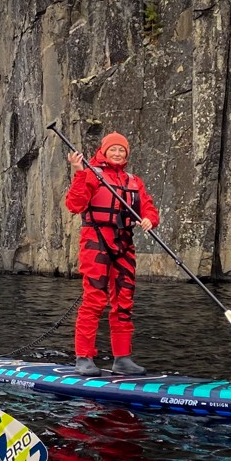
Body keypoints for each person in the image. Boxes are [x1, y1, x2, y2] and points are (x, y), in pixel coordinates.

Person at [64, 131, 160, 377]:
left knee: (124, 302)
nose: (117, 154)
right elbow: (74, 204)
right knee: (94, 299)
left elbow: (147, 206)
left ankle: (122, 358)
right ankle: (84, 357)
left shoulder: (133, 180)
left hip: (124, 243)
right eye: (113, 149)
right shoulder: (91, 174)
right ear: (104, 151)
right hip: (96, 242)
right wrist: (78, 172)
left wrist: (150, 219)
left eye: (122, 150)